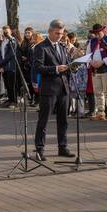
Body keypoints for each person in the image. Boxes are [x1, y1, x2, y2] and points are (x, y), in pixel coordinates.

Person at [34, 19, 75, 161]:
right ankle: (39, 149)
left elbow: (66, 64)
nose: (59, 36)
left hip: (63, 88)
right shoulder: (41, 47)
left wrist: (73, 67)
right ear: (50, 31)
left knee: (63, 120)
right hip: (49, 89)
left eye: (62, 34)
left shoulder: (63, 47)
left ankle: (62, 147)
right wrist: (56, 69)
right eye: (57, 33)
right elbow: (38, 68)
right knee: (43, 120)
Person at [86, 24, 107, 121]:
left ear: (103, 31)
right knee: (98, 92)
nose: (97, 35)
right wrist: (91, 62)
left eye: (98, 33)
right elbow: (88, 54)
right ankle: (101, 112)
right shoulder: (92, 42)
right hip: (95, 70)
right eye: (95, 33)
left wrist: (102, 61)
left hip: (105, 70)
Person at [0, 26, 19, 109]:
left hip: (11, 66)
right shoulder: (3, 41)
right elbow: (1, 54)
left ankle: (14, 101)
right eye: (4, 31)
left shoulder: (13, 40)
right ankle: (10, 100)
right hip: (4, 66)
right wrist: (1, 65)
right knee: (7, 85)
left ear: (10, 31)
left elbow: (11, 54)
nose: (5, 33)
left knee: (12, 85)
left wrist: (2, 63)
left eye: (7, 31)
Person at [20, 27, 35, 105]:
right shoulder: (23, 43)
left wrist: (27, 59)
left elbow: (33, 55)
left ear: (32, 33)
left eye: (28, 33)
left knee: (32, 83)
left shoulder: (34, 43)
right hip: (23, 66)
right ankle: (29, 98)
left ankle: (33, 99)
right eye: (26, 33)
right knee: (26, 83)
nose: (27, 34)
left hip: (31, 65)